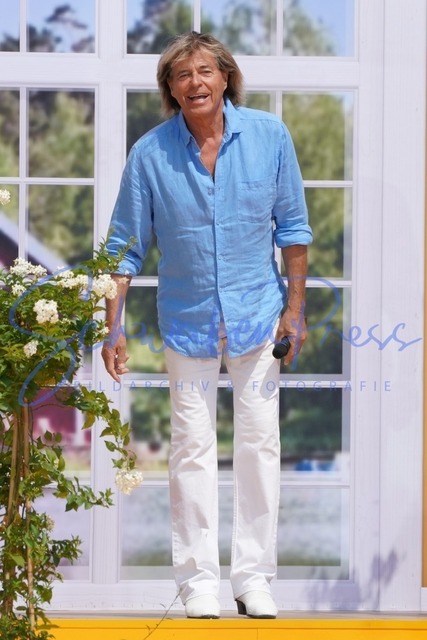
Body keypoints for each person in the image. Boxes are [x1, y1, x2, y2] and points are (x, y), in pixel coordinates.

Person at [102, 31, 312, 619]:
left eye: (204, 71)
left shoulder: (270, 136)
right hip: (187, 320)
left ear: (225, 77)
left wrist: (294, 311)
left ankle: (253, 579)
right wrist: (112, 328)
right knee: (191, 447)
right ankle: (198, 582)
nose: (194, 83)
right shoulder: (150, 153)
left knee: (259, 444)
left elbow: (294, 229)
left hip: (259, 317)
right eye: (181, 75)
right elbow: (123, 248)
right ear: (170, 89)